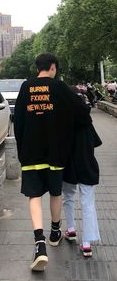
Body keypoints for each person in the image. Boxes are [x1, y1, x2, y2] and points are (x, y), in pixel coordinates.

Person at [14, 53, 91, 271]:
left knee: (34, 195)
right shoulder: (59, 88)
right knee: (56, 193)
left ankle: (39, 244)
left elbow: (17, 120)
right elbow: (82, 113)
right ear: (53, 67)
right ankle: (55, 232)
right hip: (56, 154)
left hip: (30, 153)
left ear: (37, 68)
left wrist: (22, 152)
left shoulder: (25, 88)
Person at [63, 91, 102, 258]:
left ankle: (71, 229)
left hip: (69, 167)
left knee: (68, 198)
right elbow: (96, 142)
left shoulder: (63, 121)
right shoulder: (87, 120)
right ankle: (87, 244)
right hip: (87, 165)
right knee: (87, 203)